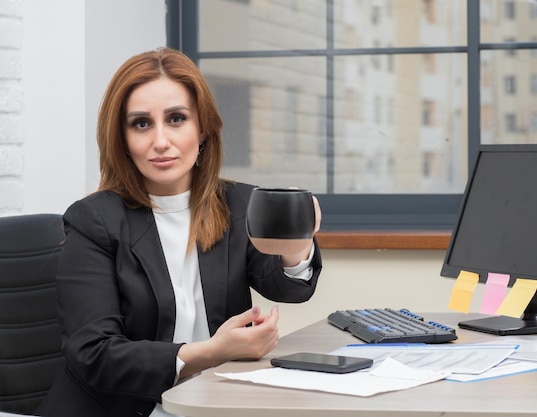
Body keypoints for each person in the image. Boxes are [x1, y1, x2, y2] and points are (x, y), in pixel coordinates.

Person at [36, 47, 322, 417]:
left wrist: (296, 247)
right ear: (121, 137)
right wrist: (214, 351)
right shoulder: (94, 220)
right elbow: (95, 355)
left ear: (202, 128)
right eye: (141, 123)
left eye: (176, 119)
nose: (160, 141)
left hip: (213, 402)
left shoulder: (238, 204)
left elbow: (287, 287)